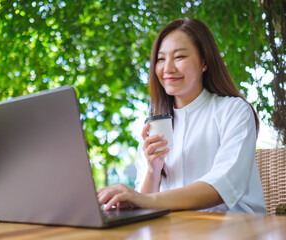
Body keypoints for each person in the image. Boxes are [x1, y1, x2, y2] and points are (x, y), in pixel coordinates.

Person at [97, 18, 266, 214]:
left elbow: (221, 187)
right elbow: (144, 200)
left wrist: (142, 199)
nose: (167, 68)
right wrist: (153, 169)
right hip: (175, 229)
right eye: (161, 59)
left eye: (179, 57)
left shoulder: (234, 111)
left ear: (204, 62)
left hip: (234, 228)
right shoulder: (154, 125)